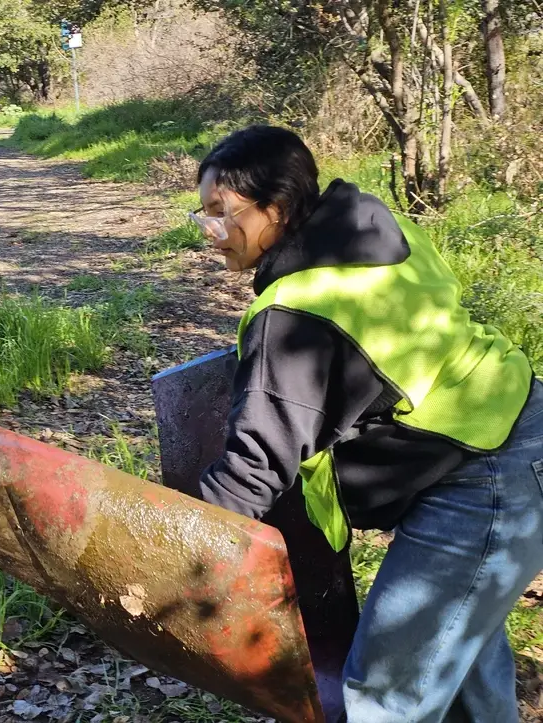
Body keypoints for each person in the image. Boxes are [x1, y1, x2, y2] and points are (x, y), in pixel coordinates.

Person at [189, 124, 543, 723]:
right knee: (464, 666)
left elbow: (257, 464)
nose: (211, 234)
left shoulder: (294, 313)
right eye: (202, 215)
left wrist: (178, 546)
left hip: (485, 474)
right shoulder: (374, 228)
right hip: (515, 423)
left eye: (222, 214)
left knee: (385, 695)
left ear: (275, 210)